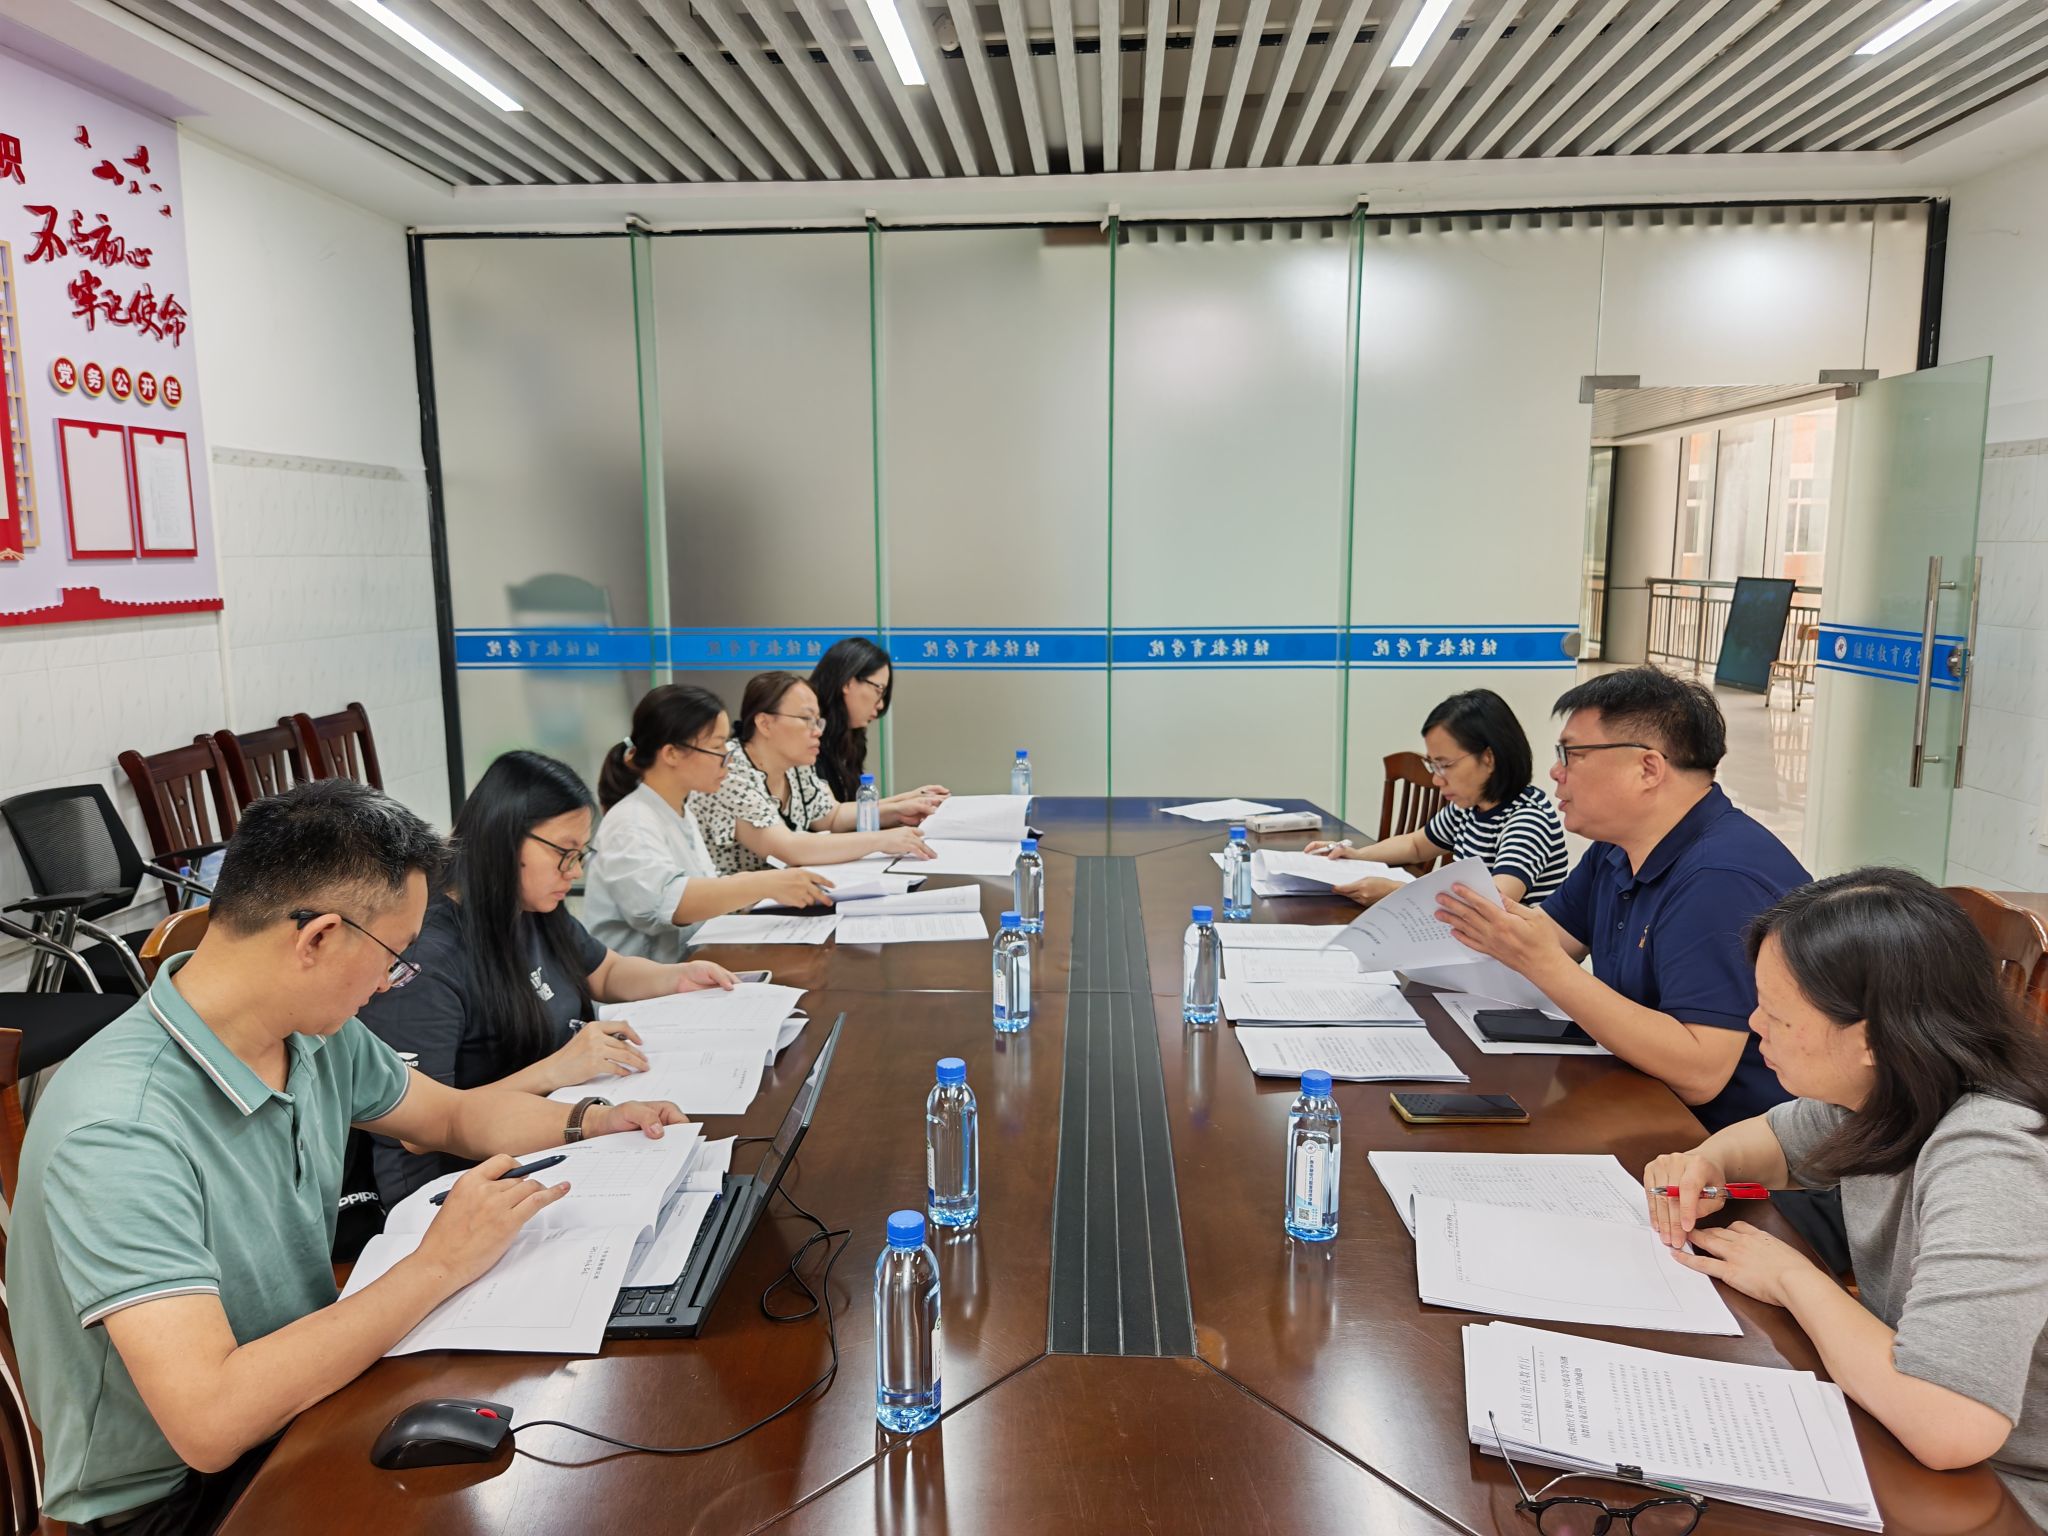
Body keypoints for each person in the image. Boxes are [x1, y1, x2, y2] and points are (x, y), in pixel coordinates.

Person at [8, 780, 688, 1534]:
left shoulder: (308, 1031)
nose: (392, 982)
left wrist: (592, 1121)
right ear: (320, 938)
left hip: (304, 1392)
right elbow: (210, 1420)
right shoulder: (119, 1129)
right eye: (394, 957)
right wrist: (438, 1264)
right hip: (175, 1499)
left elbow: (452, 1116)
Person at [1645, 869, 2048, 1518]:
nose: (1755, 1024)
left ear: (1869, 1038)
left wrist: (1792, 1278)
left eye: (1778, 1014)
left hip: (2001, 1492)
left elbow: (1952, 1424)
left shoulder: (1992, 1154)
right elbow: (1773, 1141)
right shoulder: (1894, 1087)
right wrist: (1703, 1163)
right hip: (1904, 1431)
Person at [1435, 667, 1807, 1131]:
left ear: (1648, 768)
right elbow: (1547, 937)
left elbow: (1700, 1073)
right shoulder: (1617, 849)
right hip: (1636, 1098)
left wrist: (1544, 963)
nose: (1555, 772)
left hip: (1727, 1144)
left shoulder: (1721, 878)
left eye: (1572, 755)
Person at [359, 750, 736, 1204]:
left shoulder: (532, 907)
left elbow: (605, 970)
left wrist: (677, 977)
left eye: (580, 854)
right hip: (458, 1185)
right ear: (503, 841)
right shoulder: (427, 957)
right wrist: (556, 1069)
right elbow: (420, 1132)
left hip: (551, 1135)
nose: (574, 872)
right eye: (563, 853)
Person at [585, 683, 836, 961]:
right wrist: (764, 883)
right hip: (647, 981)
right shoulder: (630, 821)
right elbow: (663, 904)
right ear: (671, 754)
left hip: (693, 964)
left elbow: (702, 894)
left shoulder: (680, 811)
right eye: (717, 746)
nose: (728, 758)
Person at [1305, 688, 1567, 907]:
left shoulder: (1528, 819)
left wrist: (1395, 892)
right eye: (1433, 765)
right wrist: (1357, 856)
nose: (1436, 779)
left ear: (1488, 758)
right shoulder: (1469, 806)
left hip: (1509, 951)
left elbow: (1494, 902)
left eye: (1445, 765)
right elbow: (1416, 845)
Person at [696, 671, 937, 875]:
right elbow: (788, 848)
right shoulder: (729, 770)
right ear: (765, 724)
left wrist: (898, 810)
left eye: (818, 721)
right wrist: (882, 840)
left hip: (783, 895)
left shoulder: (796, 763)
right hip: (739, 909)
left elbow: (831, 816)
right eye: (806, 719)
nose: (817, 731)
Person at [809, 635, 949, 812]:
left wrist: (911, 799)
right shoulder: (808, 739)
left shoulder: (848, 738)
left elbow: (842, 812)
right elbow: (829, 817)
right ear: (848, 682)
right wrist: (902, 805)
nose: (881, 704)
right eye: (878, 690)